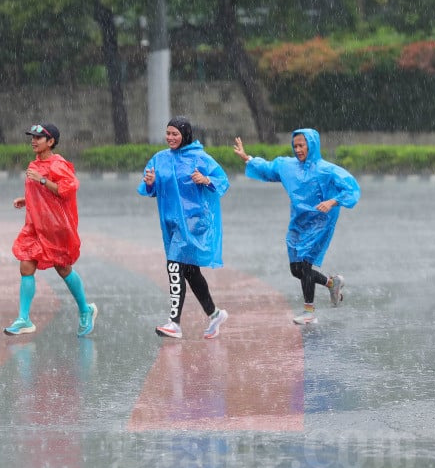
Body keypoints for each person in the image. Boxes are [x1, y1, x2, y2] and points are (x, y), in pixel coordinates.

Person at [233, 128, 360, 325]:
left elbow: (351, 188)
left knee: (305, 264)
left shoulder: (327, 170)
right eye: (295, 146)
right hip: (298, 221)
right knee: (296, 270)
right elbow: (268, 169)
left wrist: (332, 202)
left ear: (312, 146)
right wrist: (247, 158)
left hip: (320, 221)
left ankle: (309, 311)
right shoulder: (287, 166)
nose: (298, 149)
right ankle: (332, 283)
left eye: (302, 145)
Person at [138, 117, 230, 340]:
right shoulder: (159, 159)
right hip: (171, 223)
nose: (170, 138)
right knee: (189, 271)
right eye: (168, 133)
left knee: (173, 266)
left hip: (194, 221)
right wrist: (150, 182)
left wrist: (205, 179)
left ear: (185, 135)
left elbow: (223, 182)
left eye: (175, 134)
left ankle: (174, 323)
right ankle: (214, 314)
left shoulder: (200, 157)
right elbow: (149, 189)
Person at [5, 123, 97, 337]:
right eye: (32, 137)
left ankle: (85, 309)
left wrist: (43, 180)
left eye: (39, 137)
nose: (34, 141)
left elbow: (68, 188)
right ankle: (23, 318)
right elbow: (42, 196)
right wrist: (26, 200)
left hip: (56, 229)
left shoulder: (58, 164)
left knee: (63, 269)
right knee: (26, 265)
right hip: (35, 226)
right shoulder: (34, 164)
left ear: (51, 142)